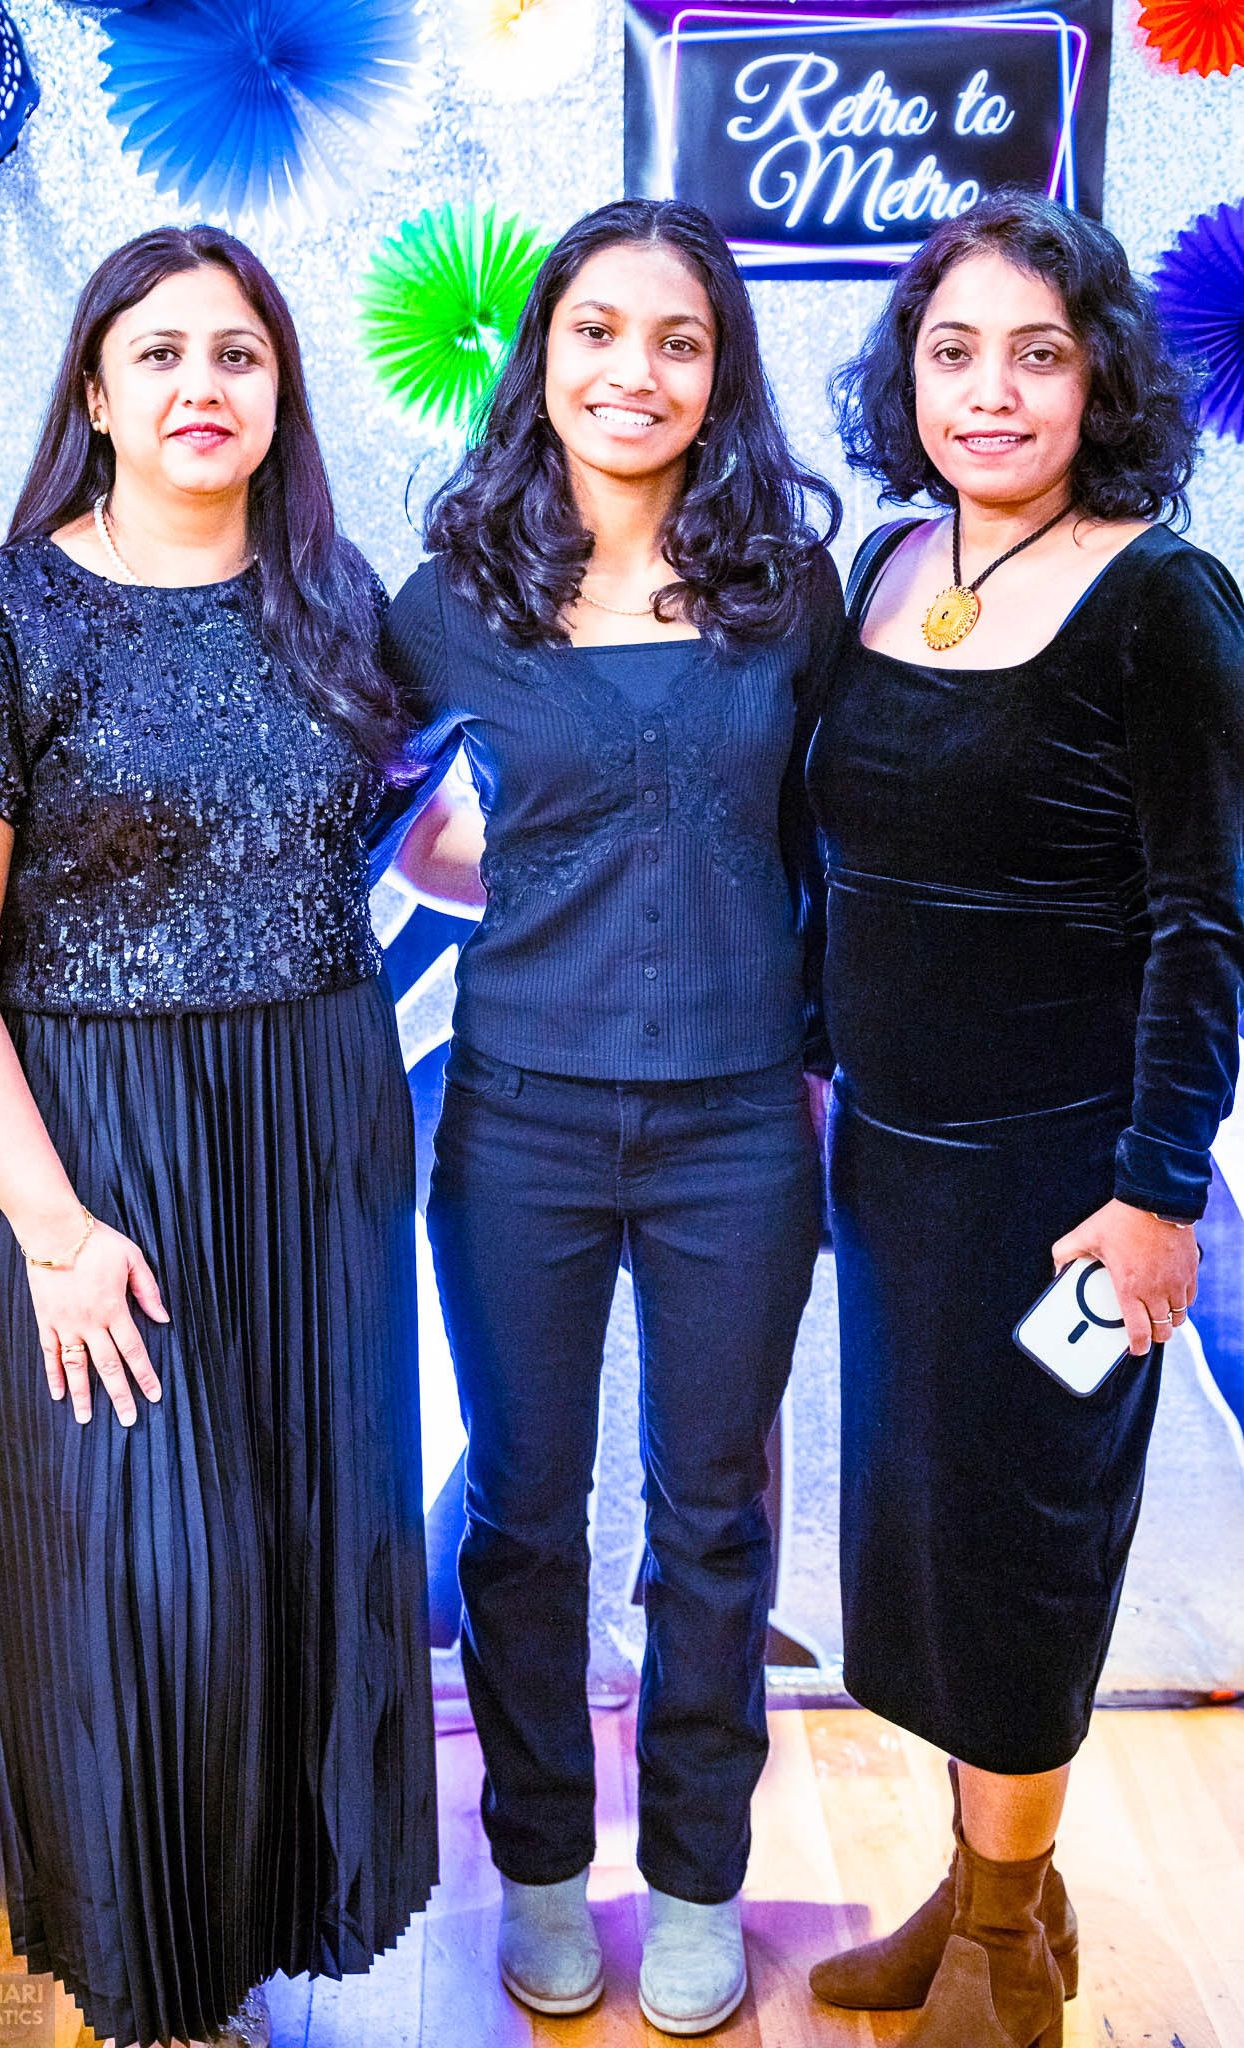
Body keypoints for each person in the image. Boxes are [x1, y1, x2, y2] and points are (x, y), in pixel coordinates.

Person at [0, 225, 436, 2048]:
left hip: (313, 1143)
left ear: (281, 394)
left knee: (285, 1568)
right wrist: (49, 1229)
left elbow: (396, 846)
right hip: (87, 1158)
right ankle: (154, 1988)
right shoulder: (11, 616)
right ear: (98, 394)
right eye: (163, 354)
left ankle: (247, 1962)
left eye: (240, 355)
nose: (204, 385)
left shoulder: (337, 601)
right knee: (146, 1588)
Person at [376, 197, 843, 2037]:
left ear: (718, 373)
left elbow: (828, 841)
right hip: (519, 1127)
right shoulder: (452, 598)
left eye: (676, 339)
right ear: (542, 356)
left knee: (710, 1518)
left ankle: (703, 1876)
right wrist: (500, 870)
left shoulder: (789, 594)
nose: (632, 370)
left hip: (739, 1127)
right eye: (597, 331)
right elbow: (363, 817)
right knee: (522, 1514)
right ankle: (546, 1865)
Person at [806, 190, 1244, 2048]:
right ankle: (995, 1893)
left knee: (1024, 1552)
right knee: (920, 1551)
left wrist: (1155, 1192)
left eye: (1037, 355)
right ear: (906, 377)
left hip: (1067, 1197)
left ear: (1099, 383)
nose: (989, 392)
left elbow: (1206, 923)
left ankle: (1004, 1962)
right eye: (952, 351)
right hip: (889, 1178)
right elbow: (839, 866)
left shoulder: (1164, 600)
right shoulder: (887, 562)